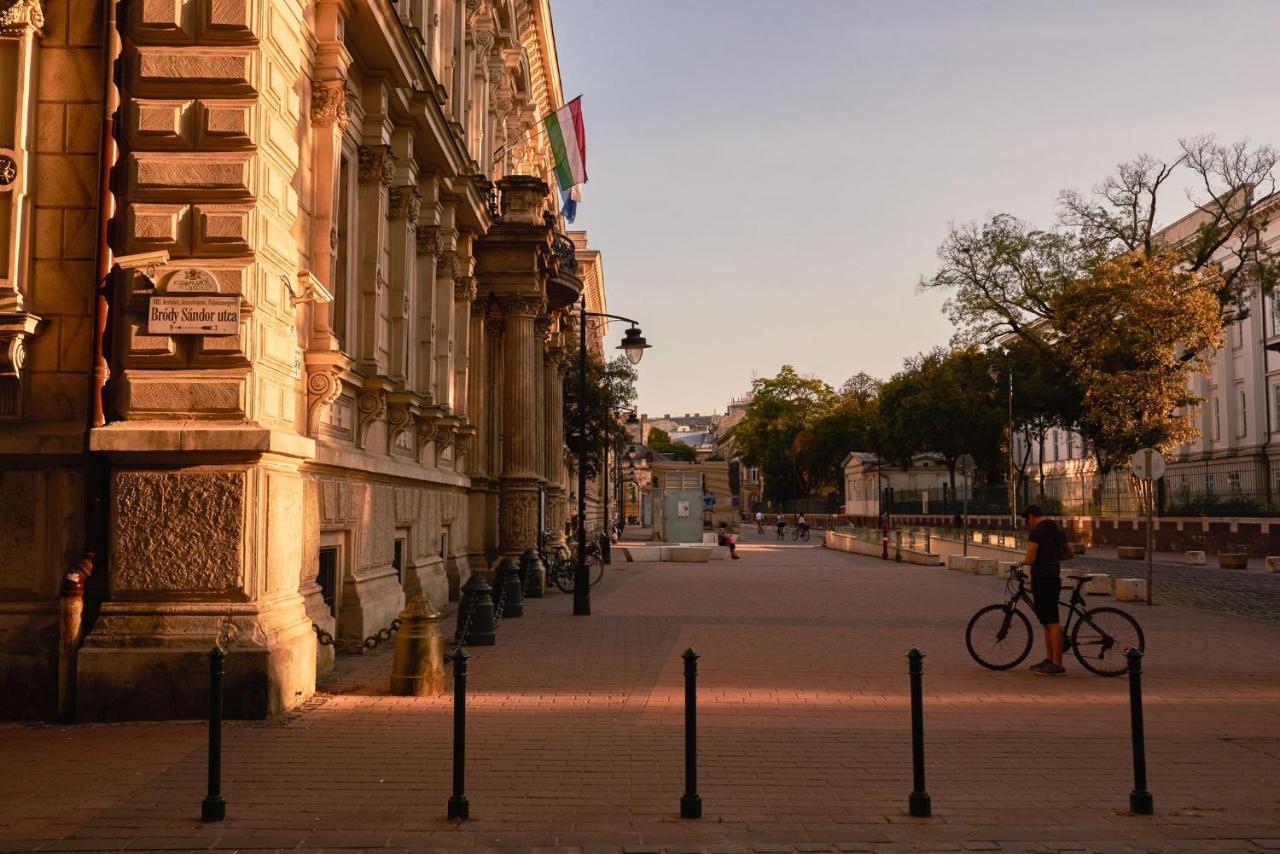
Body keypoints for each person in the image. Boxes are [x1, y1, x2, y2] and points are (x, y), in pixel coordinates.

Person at [1020, 504, 1071, 676]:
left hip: (1043, 579)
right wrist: (1053, 558)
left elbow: (1030, 557)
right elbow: (1069, 553)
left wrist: (1021, 563)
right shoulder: (1057, 529)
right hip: (1053, 577)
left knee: (1052, 621)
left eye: (1027, 520)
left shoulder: (1037, 532)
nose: (1028, 523)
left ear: (1032, 516)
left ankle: (1057, 664)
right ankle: (1049, 659)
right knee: (1046, 620)